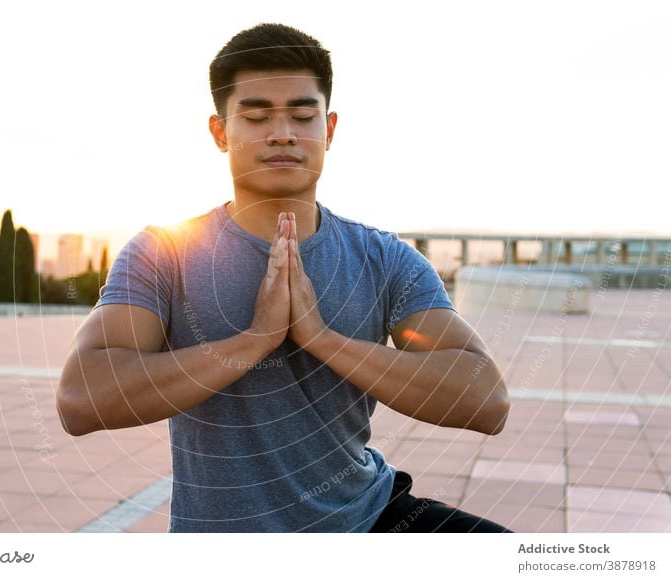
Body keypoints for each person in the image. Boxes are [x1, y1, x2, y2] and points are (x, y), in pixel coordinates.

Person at [56, 22, 512, 533]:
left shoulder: (385, 258)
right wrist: (254, 341)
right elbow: (80, 399)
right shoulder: (165, 253)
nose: (282, 132)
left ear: (330, 129)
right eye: (256, 116)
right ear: (220, 132)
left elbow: (486, 401)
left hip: (371, 517)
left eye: (302, 114)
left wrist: (322, 338)